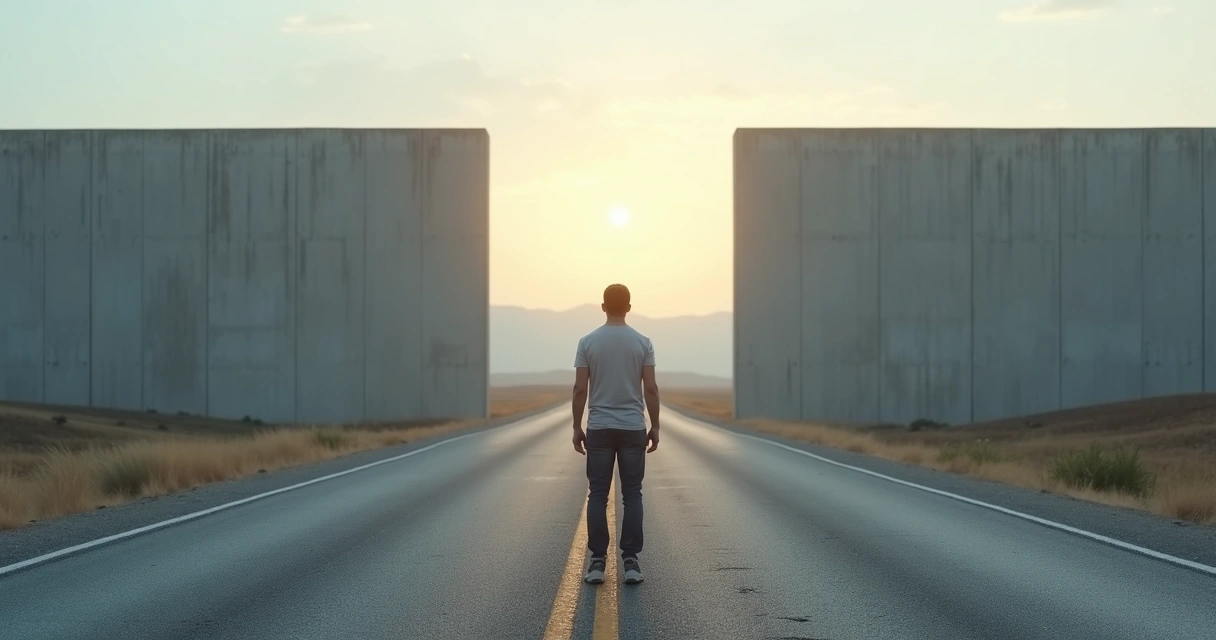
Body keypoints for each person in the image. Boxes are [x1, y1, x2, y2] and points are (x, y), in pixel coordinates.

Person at [571, 283, 660, 586]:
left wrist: (576, 426)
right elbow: (650, 388)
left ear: (603, 307)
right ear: (629, 307)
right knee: (632, 493)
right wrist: (655, 425)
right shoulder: (643, 342)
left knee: (597, 493)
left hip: (599, 427)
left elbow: (580, 388)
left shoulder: (587, 342)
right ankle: (631, 563)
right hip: (633, 426)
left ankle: (597, 562)